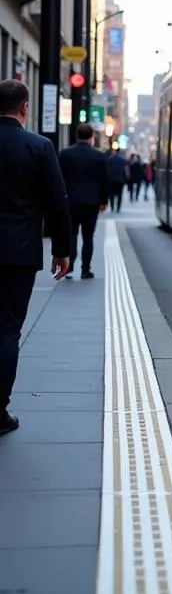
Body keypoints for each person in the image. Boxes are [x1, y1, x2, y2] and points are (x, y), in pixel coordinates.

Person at [0, 80, 71, 436]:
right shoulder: (39, 146)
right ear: (25, 108)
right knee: (7, 329)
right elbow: (57, 201)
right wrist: (61, 249)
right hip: (18, 252)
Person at [57, 124, 109, 279]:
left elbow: (58, 178)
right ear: (91, 137)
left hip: (71, 201)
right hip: (92, 202)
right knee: (88, 236)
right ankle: (86, 269)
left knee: (71, 233)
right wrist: (103, 201)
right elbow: (105, 180)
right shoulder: (99, 156)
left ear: (77, 135)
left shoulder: (65, 154)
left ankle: (69, 266)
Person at [106, 147, 128, 211]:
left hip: (111, 180)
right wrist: (127, 178)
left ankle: (112, 207)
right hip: (120, 180)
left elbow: (106, 170)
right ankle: (118, 208)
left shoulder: (109, 160)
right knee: (119, 195)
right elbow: (126, 170)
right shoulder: (122, 160)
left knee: (112, 194)